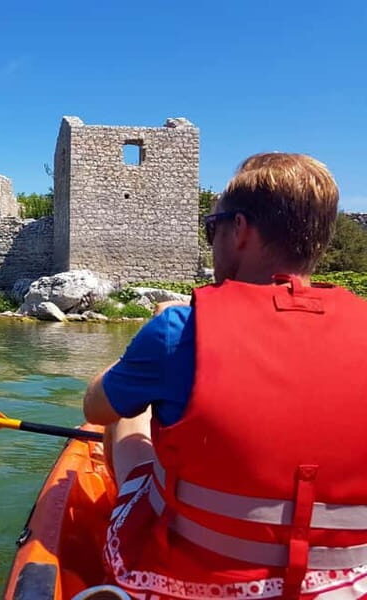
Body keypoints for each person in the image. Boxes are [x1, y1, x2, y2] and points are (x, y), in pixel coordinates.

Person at [83, 153, 367, 598]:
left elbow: (95, 408)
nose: (211, 240)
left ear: (240, 231)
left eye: (211, 228)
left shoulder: (178, 330)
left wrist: (148, 348)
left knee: (127, 414)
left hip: (191, 575)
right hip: (344, 584)